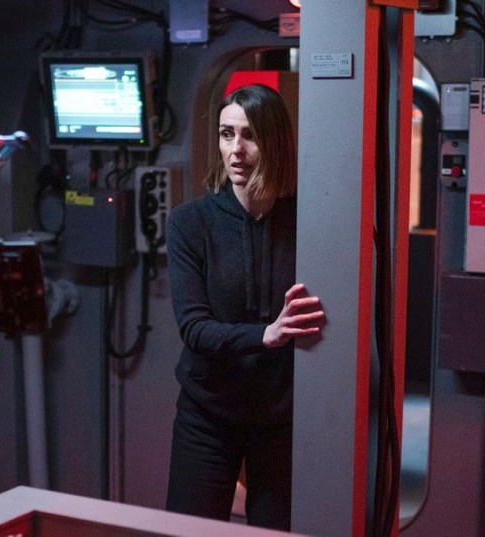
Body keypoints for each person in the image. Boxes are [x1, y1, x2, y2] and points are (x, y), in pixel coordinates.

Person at [164, 83, 325, 530]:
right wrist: (266, 335)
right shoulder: (189, 223)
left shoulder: (308, 222)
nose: (236, 149)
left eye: (249, 135)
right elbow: (194, 328)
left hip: (281, 416)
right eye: (226, 134)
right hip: (208, 412)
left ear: (274, 142)